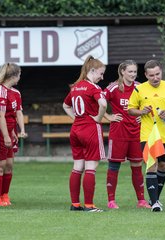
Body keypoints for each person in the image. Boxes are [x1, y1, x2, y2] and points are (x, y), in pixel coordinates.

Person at [62, 55, 107, 212]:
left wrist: (76, 118)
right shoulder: (93, 88)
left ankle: (75, 204)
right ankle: (89, 205)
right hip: (90, 129)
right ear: (92, 70)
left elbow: (65, 105)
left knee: (77, 167)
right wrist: (98, 119)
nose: (102, 77)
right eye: (101, 73)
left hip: (76, 130)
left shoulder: (75, 87)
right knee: (90, 167)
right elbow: (103, 103)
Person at [104, 60, 150, 209]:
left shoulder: (140, 88)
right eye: (130, 71)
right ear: (122, 71)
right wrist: (108, 116)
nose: (133, 74)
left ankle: (141, 201)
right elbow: (97, 102)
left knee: (137, 165)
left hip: (136, 132)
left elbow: (147, 104)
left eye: (135, 72)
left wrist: (142, 115)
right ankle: (111, 201)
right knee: (114, 165)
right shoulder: (113, 88)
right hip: (118, 132)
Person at [128, 59, 165, 212]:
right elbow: (130, 110)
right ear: (145, 75)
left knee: (163, 166)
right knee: (151, 166)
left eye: (157, 74)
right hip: (148, 134)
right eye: (151, 75)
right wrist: (141, 111)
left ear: (161, 72)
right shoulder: (139, 90)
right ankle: (155, 202)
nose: (155, 78)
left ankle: (155, 198)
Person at [0, 62, 21, 207]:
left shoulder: (12, 93)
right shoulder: (1, 92)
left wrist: (13, 131)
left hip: (9, 131)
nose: (19, 78)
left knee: (9, 165)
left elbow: (11, 115)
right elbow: (0, 116)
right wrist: (6, 135)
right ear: (13, 76)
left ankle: (4, 195)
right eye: (19, 75)